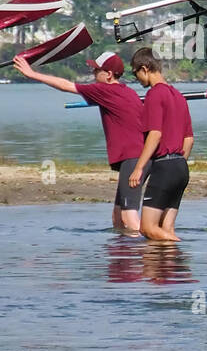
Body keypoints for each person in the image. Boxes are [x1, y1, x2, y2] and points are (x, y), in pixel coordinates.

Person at [12, 50, 146, 233]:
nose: (93, 74)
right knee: (117, 218)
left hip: (133, 159)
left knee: (129, 218)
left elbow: (66, 86)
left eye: (96, 70)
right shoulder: (127, 92)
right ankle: (122, 259)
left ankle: (151, 255)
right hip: (137, 159)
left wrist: (32, 74)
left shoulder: (104, 90)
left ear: (108, 75)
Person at [128, 47, 193, 242]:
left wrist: (138, 168)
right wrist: (178, 164)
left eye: (136, 73)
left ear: (145, 68)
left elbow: (155, 134)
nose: (137, 79)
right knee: (166, 228)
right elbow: (189, 139)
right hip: (181, 166)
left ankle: (184, 252)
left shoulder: (155, 94)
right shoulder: (179, 96)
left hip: (164, 167)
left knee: (147, 228)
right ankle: (170, 272)